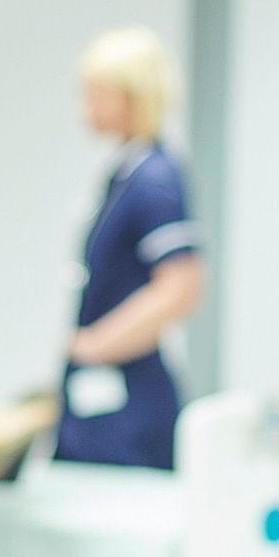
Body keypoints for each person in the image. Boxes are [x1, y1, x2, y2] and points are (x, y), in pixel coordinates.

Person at [56, 27, 204, 470]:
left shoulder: (155, 180)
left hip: (128, 407)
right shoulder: (125, 172)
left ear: (132, 97)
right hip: (101, 396)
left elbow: (182, 287)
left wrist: (96, 345)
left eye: (96, 95)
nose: (86, 109)